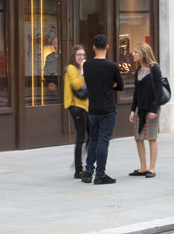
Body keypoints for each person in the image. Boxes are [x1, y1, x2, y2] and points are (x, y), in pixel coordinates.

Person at [81, 34, 123, 184]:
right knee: (103, 140)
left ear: (93, 47)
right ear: (107, 47)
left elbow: (89, 81)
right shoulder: (112, 66)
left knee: (93, 139)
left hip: (92, 108)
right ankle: (100, 175)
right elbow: (121, 86)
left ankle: (88, 172)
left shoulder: (87, 65)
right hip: (107, 109)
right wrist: (111, 84)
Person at [128, 43, 164, 177]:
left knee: (151, 138)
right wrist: (132, 109)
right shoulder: (138, 70)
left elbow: (158, 91)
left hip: (151, 108)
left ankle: (152, 168)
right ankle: (142, 167)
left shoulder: (154, 68)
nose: (133, 54)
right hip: (140, 108)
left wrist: (154, 109)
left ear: (143, 53)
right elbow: (136, 92)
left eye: (135, 52)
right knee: (138, 137)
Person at [63, 45, 89, 178]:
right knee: (80, 137)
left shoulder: (80, 68)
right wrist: (84, 71)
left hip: (85, 106)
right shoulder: (71, 68)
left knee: (92, 135)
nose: (81, 57)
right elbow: (77, 84)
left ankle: (85, 162)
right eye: (79, 54)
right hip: (75, 106)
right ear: (73, 56)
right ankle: (78, 169)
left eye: (83, 54)